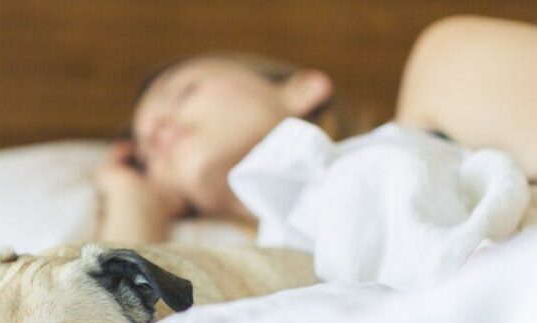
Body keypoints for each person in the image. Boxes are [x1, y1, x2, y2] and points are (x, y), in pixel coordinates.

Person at [95, 15, 537, 246]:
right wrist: (130, 199)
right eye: (145, 154)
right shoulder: (249, 289)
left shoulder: (442, 74)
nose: (154, 127)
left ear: (303, 88)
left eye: (183, 92)